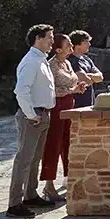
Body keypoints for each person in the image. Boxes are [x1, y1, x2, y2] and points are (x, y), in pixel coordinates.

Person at [7, 24, 57, 218]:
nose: (52, 41)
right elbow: (21, 90)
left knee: (35, 159)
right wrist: (31, 114)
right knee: (23, 160)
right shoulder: (31, 62)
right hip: (33, 116)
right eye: (49, 38)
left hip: (42, 114)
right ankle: (14, 203)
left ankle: (30, 194)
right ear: (38, 38)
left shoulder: (41, 60)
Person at [40, 34, 87, 202]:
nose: (71, 47)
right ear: (58, 49)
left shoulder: (67, 63)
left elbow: (70, 82)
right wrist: (71, 90)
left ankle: (69, 178)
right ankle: (48, 185)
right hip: (56, 108)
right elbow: (50, 90)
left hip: (69, 106)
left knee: (69, 142)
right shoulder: (51, 65)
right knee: (53, 144)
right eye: (68, 45)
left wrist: (77, 87)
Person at [68, 30, 104, 109]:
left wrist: (89, 76)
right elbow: (85, 80)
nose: (89, 44)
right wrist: (92, 78)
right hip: (76, 105)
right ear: (78, 44)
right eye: (87, 42)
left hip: (89, 103)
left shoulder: (86, 59)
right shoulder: (70, 60)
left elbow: (100, 77)